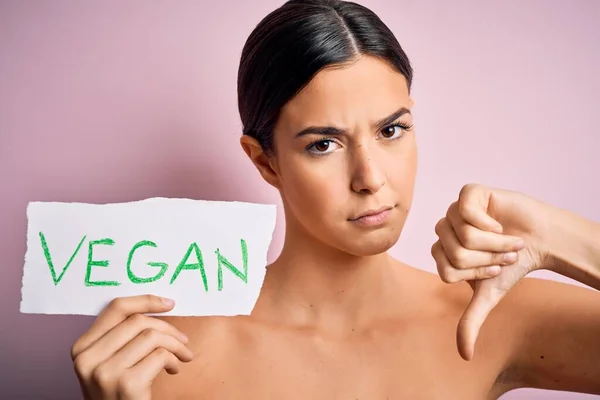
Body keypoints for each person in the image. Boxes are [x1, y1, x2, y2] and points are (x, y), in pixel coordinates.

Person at [69, 0, 600, 399]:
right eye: (323, 144)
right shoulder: (167, 359)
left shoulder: (490, 318)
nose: (370, 177)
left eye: (392, 130)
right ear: (265, 161)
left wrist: (563, 239)